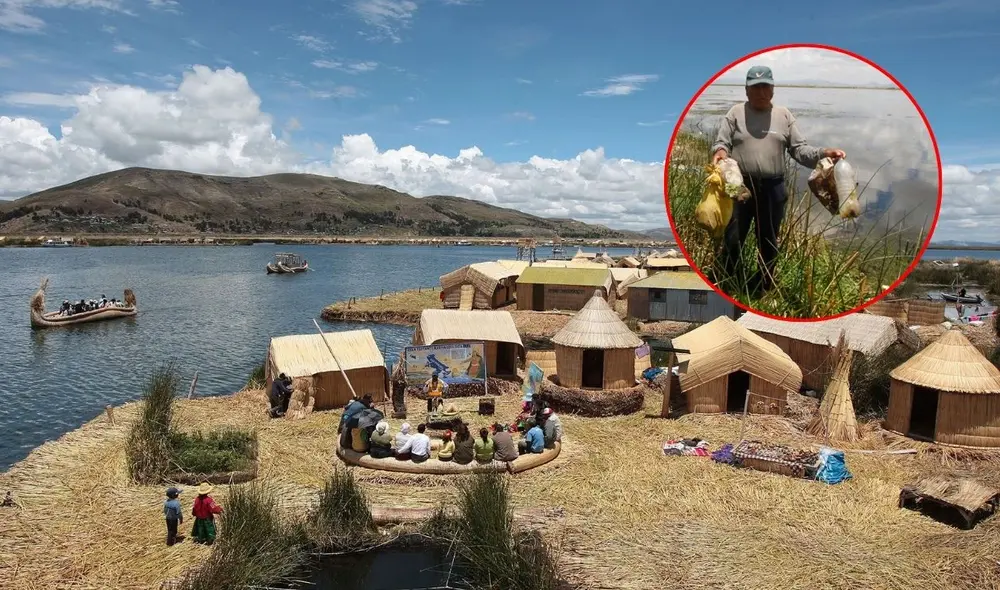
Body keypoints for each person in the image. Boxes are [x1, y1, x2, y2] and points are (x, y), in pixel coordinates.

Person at [711, 65, 846, 295]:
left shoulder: (784, 116)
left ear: (773, 89)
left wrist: (824, 153)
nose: (761, 92)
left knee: (769, 240)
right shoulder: (735, 113)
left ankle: (764, 287)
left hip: (773, 188)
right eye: (755, 87)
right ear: (746, 90)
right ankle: (727, 283)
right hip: (739, 186)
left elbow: (800, 150)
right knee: (733, 237)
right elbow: (721, 143)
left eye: (765, 87)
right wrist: (721, 153)